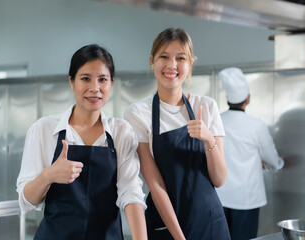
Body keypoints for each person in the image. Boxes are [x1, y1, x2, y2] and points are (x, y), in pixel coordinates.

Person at [16, 44, 147, 240]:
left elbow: (131, 193)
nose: (95, 88)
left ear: (111, 82)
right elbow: (26, 200)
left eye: (102, 79)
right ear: (71, 82)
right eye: (85, 78)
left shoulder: (121, 132)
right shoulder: (43, 130)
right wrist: (48, 175)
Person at [124, 28, 230, 240]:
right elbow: (155, 184)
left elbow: (219, 179)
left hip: (209, 221)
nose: (172, 65)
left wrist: (209, 138)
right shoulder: (138, 114)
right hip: (167, 225)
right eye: (164, 57)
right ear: (152, 61)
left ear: (190, 63)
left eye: (180, 58)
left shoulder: (206, 106)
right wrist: (180, 238)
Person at [216, 67, 284, 240]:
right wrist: (277, 165)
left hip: (220, 196)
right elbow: (271, 158)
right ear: (247, 99)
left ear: (227, 99)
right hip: (246, 198)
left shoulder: (217, 121)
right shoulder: (256, 125)